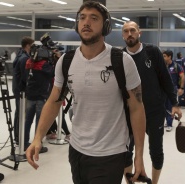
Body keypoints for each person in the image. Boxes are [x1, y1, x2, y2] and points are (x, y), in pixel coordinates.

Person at [26, 2, 147, 184]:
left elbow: (137, 108)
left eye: (94, 18)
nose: (86, 22)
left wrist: (139, 155)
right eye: (82, 17)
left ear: (105, 26)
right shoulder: (66, 61)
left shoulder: (122, 61)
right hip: (77, 150)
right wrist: (37, 138)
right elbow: (53, 101)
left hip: (111, 153)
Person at [122, 21, 182, 184]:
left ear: (139, 32)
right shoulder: (120, 56)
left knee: (156, 151)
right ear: (122, 35)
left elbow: (165, 79)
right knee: (126, 152)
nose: (129, 34)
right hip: (129, 113)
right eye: (126, 31)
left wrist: (175, 103)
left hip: (154, 112)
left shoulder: (152, 52)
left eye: (132, 30)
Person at [23, 43, 54, 152]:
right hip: (41, 95)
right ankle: (37, 144)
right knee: (39, 120)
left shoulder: (29, 62)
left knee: (28, 120)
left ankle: (24, 142)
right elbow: (53, 73)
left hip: (30, 94)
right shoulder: (44, 64)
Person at [12, 36, 34, 145]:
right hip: (21, 90)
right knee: (21, 113)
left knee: (18, 113)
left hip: (17, 88)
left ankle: (17, 136)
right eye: (32, 45)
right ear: (28, 45)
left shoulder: (20, 55)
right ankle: (19, 137)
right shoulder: (25, 58)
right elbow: (25, 77)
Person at [163, 50, 185, 132]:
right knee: (164, 107)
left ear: (169, 57)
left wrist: (181, 88)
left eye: (164, 56)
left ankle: (169, 124)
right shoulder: (162, 66)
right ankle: (167, 120)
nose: (163, 58)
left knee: (170, 106)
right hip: (163, 90)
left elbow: (182, 77)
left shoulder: (176, 66)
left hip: (172, 90)